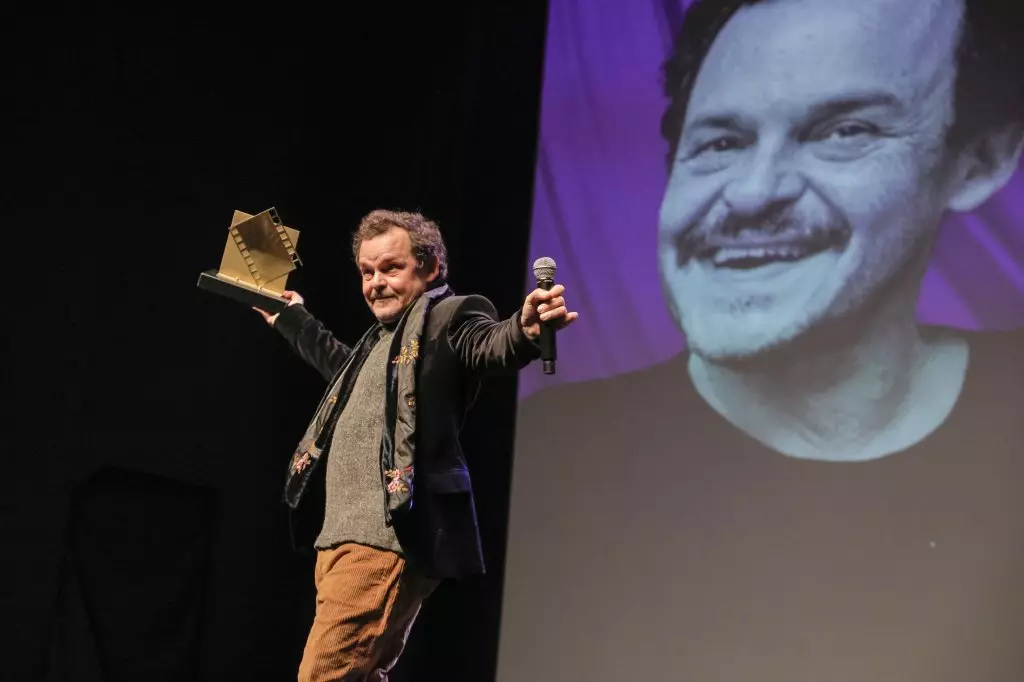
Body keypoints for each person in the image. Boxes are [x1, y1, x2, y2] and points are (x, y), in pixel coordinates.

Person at [500, 1, 1024, 679]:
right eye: (721, 142)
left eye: (845, 130)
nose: (752, 195)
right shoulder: (547, 461)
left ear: (979, 160)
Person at [256, 209, 577, 681]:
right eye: (367, 272)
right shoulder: (379, 341)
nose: (376, 283)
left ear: (429, 268)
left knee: (322, 676)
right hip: (339, 539)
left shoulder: (451, 316)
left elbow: (491, 345)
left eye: (391, 268)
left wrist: (526, 332)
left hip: (383, 537)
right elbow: (343, 372)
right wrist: (292, 318)